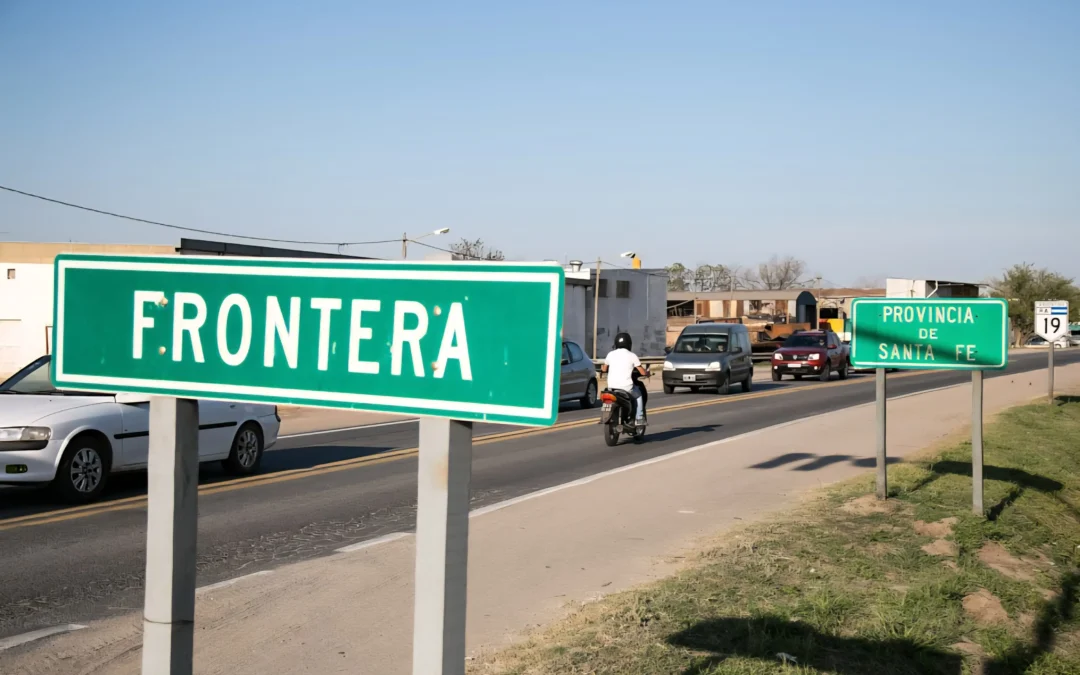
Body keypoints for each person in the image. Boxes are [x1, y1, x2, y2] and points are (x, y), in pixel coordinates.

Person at [601, 332, 648, 425]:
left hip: (611, 387)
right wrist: (647, 373)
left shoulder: (610, 354)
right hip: (626, 388)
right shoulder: (632, 355)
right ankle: (639, 418)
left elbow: (604, 369)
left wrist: (603, 369)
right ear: (629, 343)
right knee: (639, 395)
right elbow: (642, 372)